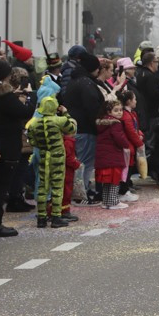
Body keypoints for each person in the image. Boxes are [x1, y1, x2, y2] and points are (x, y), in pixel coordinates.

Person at [0, 59, 35, 237]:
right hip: (7, 145)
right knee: (0, 187)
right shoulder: (4, 95)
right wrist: (29, 97)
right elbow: (25, 112)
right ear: (7, 76)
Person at [60, 51, 104, 205]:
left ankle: (79, 192)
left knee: (79, 161)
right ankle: (80, 194)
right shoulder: (86, 83)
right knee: (84, 163)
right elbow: (92, 107)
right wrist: (98, 123)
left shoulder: (74, 80)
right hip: (86, 128)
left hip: (76, 126)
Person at [26, 97, 76, 228]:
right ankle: (56, 216)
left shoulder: (34, 124)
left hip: (43, 156)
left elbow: (32, 141)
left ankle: (41, 218)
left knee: (42, 187)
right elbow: (72, 128)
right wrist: (66, 113)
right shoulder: (60, 120)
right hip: (57, 156)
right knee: (57, 186)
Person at [96, 98, 133, 210]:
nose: (119, 112)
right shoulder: (116, 124)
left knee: (107, 182)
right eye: (116, 110)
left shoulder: (102, 124)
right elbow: (119, 138)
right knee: (114, 180)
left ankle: (106, 201)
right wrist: (127, 144)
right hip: (113, 156)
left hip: (104, 157)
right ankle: (113, 201)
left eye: (121, 110)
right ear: (109, 112)